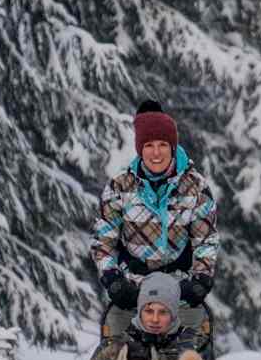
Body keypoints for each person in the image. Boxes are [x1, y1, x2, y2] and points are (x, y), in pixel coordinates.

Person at [91, 100, 219, 345]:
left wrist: (201, 278)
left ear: (173, 147)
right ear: (140, 149)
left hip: (180, 288)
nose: (156, 152)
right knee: (113, 359)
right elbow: (103, 240)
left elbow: (206, 240)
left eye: (163, 145)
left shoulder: (195, 187)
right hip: (133, 289)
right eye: (149, 145)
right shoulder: (120, 187)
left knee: (195, 359)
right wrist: (111, 278)